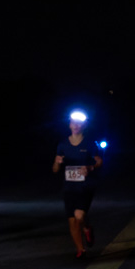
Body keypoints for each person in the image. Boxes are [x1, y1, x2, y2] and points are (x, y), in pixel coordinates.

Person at [52, 111, 102, 259]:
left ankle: (87, 227)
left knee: (79, 215)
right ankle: (81, 250)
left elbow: (99, 161)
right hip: (69, 187)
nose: (76, 126)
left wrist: (90, 168)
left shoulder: (89, 143)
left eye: (79, 123)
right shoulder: (62, 144)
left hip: (85, 185)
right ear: (69, 125)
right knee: (72, 220)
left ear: (84, 126)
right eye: (73, 122)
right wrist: (57, 162)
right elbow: (55, 170)